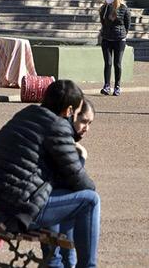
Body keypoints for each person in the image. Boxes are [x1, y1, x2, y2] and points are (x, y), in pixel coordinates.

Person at [0, 80, 99, 268]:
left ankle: (55, 263)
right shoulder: (57, 126)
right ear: (68, 111)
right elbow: (78, 179)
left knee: (52, 192)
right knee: (90, 200)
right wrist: (82, 158)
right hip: (13, 212)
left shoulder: (26, 114)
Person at [47, 99, 95, 268]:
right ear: (71, 115)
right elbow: (75, 181)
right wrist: (82, 156)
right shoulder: (60, 139)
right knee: (88, 200)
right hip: (35, 212)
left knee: (71, 200)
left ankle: (65, 261)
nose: (86, 128)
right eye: (83, 121)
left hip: (16, 206)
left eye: (89, 123)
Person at [99, 0, 131, 96]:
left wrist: (122, 34)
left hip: (119, 39)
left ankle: (117, 86)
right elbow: (103, 22)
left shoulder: (124, 9)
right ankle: (106, 86)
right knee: (108, 63)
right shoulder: (104, 8)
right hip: (107, 39)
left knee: (117, 63)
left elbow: (127, 24)